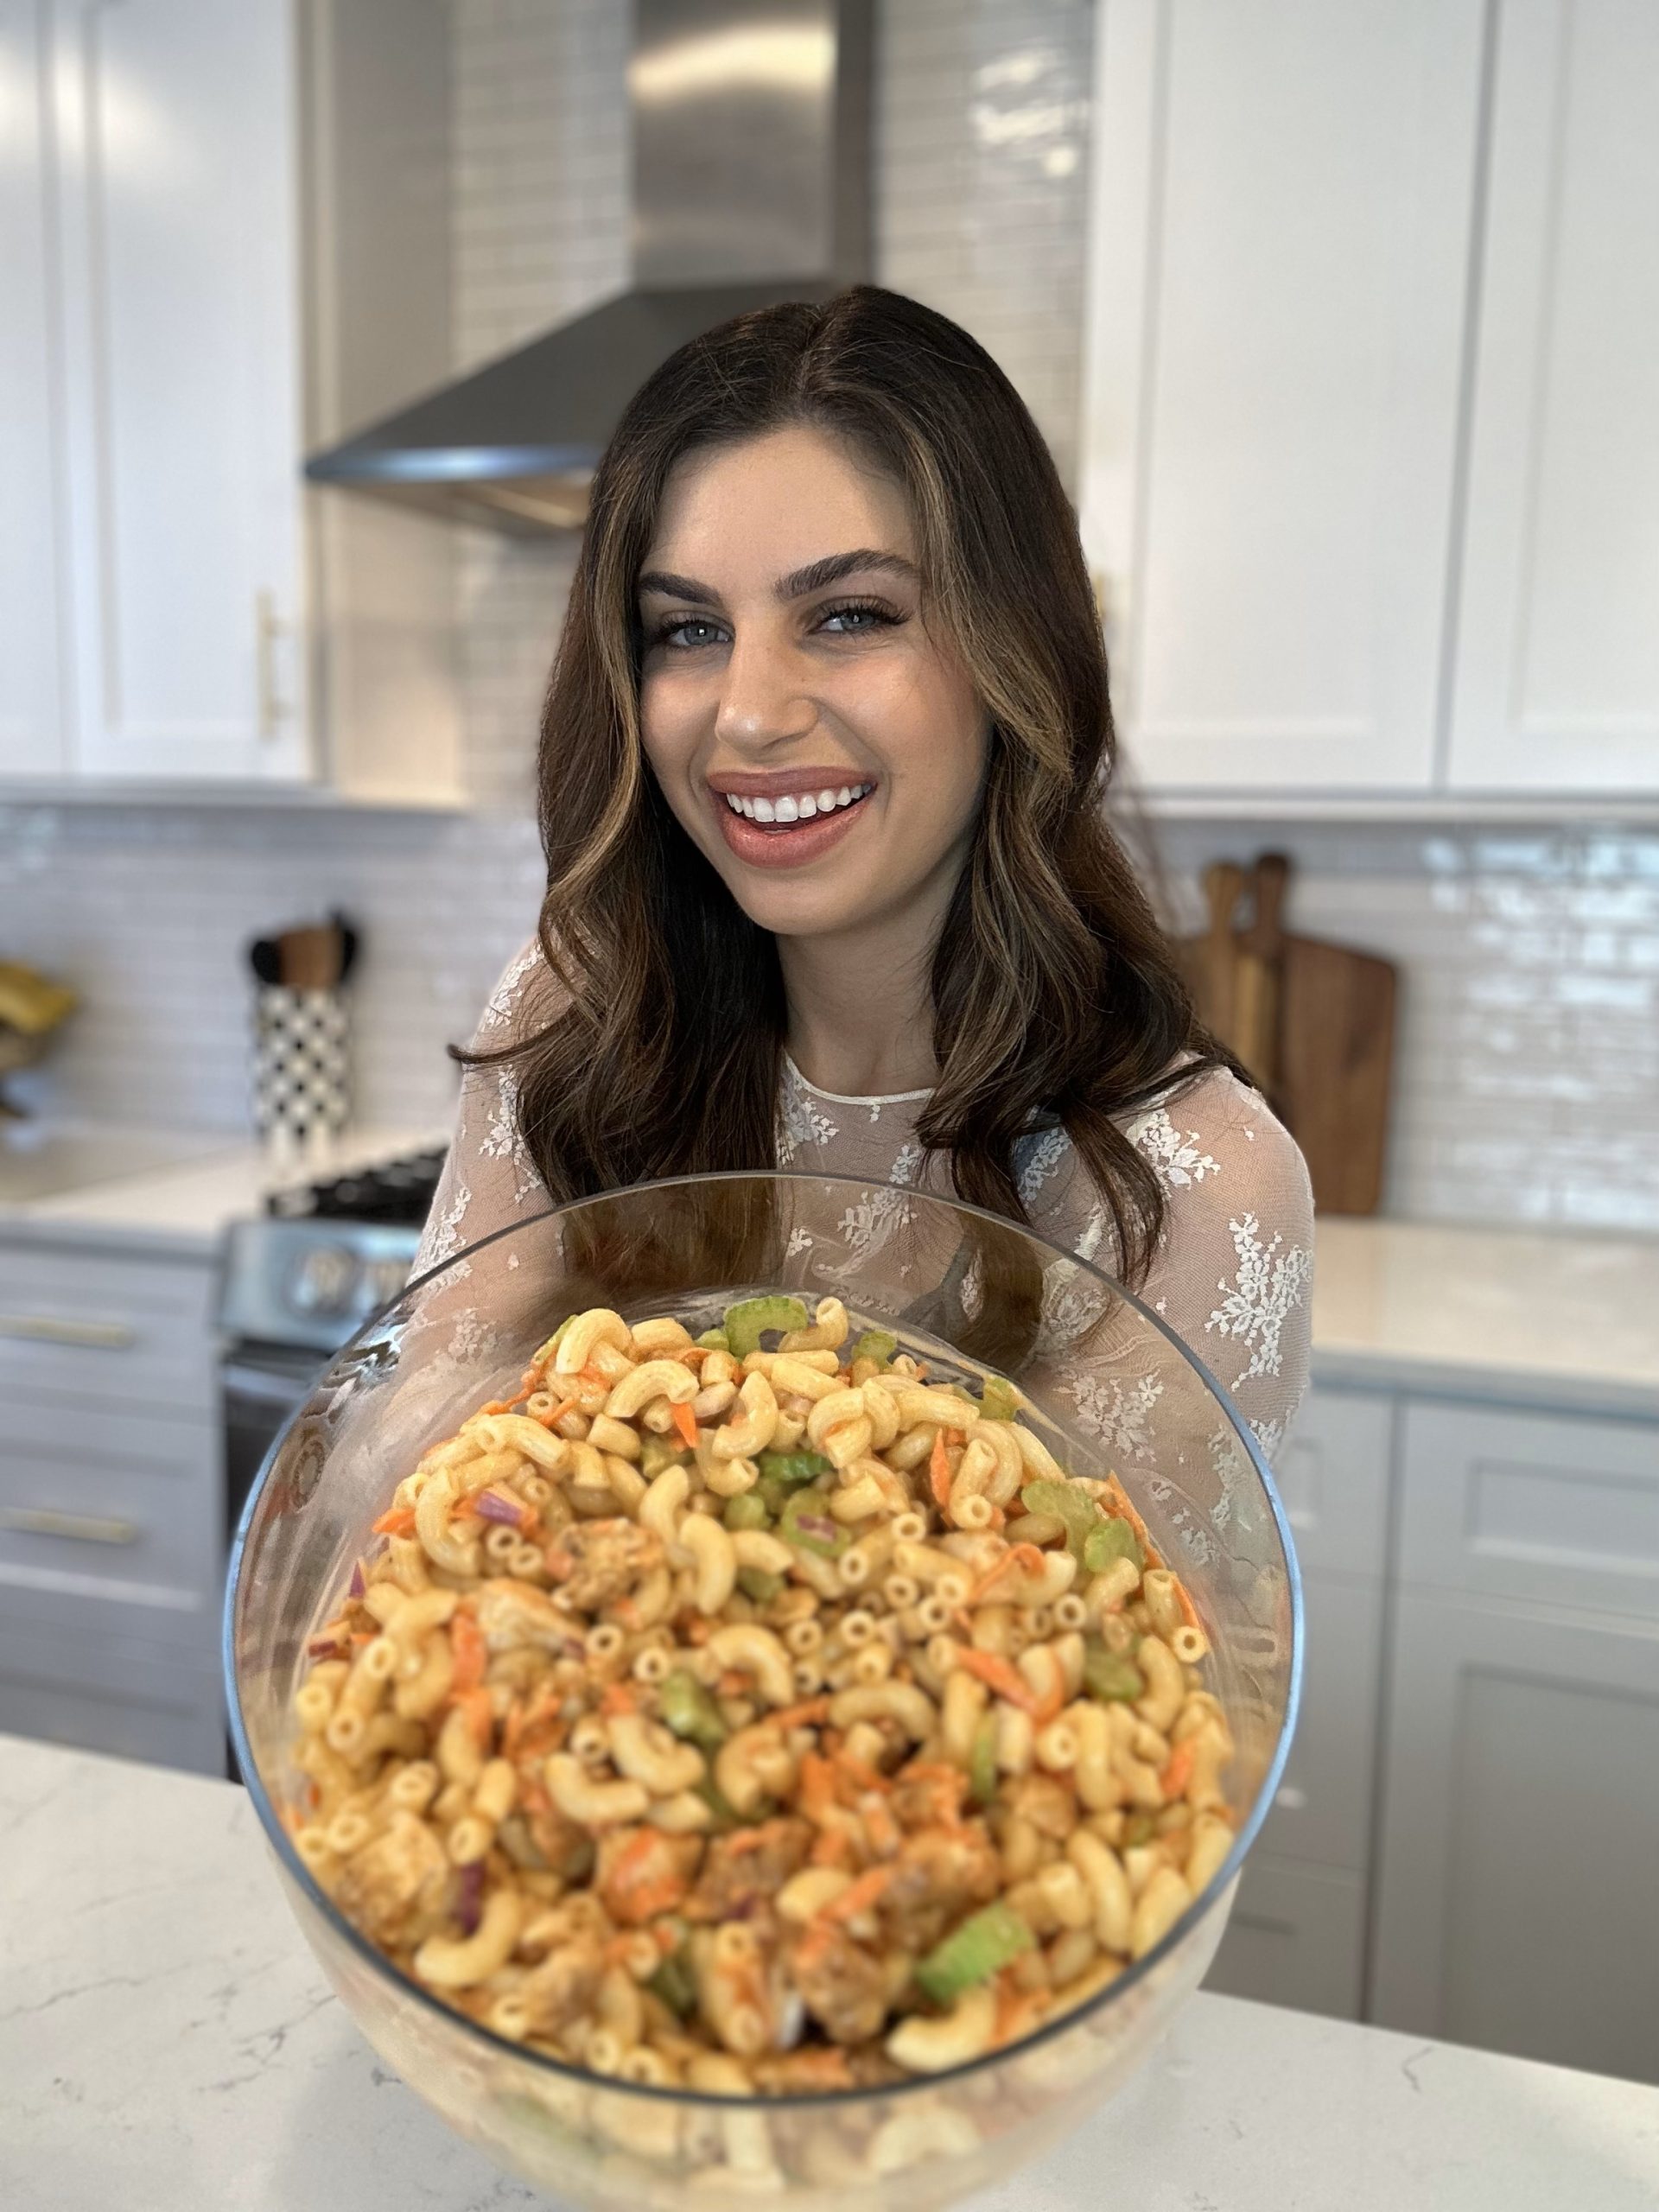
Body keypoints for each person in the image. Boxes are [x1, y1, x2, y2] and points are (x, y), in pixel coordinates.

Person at [415, 285, 1313, 1466]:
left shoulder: (1193, 1195)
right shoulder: (579, 1014)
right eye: (687, 630)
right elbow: (410, 1481)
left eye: (848, 614)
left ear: (1016, 653)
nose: (746, 715)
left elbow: (1136, 1638)